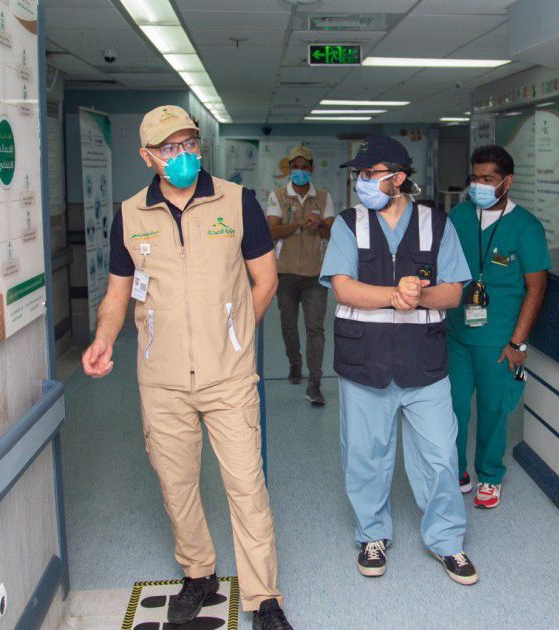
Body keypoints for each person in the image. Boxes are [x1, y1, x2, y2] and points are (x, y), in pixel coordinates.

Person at [81, 105, 292, 630]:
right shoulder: (130, 215)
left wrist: (237, 338)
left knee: (247, 486)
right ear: (147, 156)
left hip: (229, 377)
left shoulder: (236, 201)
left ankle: (265, 599)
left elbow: (265, 279)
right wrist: (103, 338)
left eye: (189, 144)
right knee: (176, 485)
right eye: (169, 148)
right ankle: (199, 573)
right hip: (162, 379)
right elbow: (118, 293)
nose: (182, 156)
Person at [320, 135, 478, 585]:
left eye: (370, 174)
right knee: (366, 455)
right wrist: (394, 295)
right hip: (364, 361)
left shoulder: (436, 224)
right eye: (360, 175)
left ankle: (447, 541)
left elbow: (454, 291)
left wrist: (419, 295)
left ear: (399, 178)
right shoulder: (348, 224)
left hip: (424, 363)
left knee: (441, 456)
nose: (362, 182)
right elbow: (343, 287)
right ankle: (372, 534)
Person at [446, 144, 550, 509]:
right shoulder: (459, 216)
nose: (479, 185)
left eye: (488, 179)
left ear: (508, 181)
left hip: (499, 339)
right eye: (475, 178)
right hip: (457, 334)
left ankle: (489, 475)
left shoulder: (526, 227)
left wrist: (517, 343)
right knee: (453, 408)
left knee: (493, 410)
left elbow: (536, 288)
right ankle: (456, 470)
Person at [266, 145, 334, 406]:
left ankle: (315, 383)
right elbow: (272, 232)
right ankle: (295, 363)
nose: (300, 171)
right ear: (290, 169)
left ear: (312, 169)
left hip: (315, 275)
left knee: (316, 329)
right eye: (296, 167)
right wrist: (298, 224)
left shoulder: (324, 197)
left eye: (305, 167)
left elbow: (331, 233)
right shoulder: (279, 196)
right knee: (288, 324)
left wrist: (320, 225)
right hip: (285, 273)